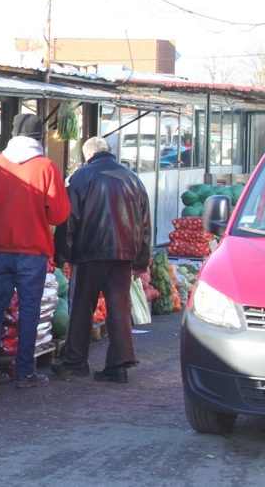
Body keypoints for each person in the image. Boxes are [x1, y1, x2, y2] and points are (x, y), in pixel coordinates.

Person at [0, 113, 70, 389]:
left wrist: (2, 211)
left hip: (2, 249)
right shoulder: (46, 167)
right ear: (39, 139)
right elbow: (59, 214)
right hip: (33, 250)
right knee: (29, 309)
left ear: (13, 136)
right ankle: (25, 372)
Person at [53, 136, 151, 383]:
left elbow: (69, 217)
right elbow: (145, 223)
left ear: (88, 155)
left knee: (81, 306)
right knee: (119, 307)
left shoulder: (82, 177)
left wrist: (62, 253)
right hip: (124, 254)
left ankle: (75, 361)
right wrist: (141, 260)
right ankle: (119, 365)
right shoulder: (133, 179)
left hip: (90, 252)